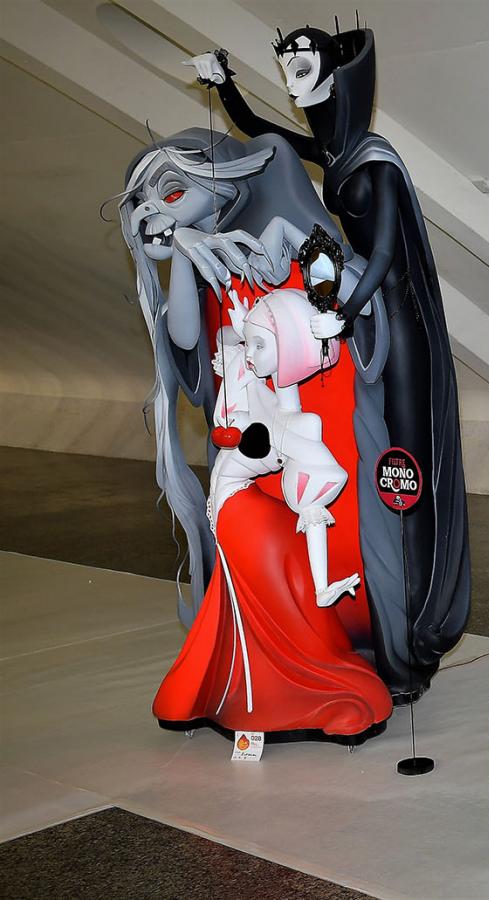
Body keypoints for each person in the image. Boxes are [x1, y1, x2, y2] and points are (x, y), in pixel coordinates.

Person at [188, 26, 471, 696]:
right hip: (363, 311)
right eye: (286, 64)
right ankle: (380, 610)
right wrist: (225, 84)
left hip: (396, 316)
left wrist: (347, 311)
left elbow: (384, 254)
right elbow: (264, 133)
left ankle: (411, 632)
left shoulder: (377, 161)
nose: (293, 75)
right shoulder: (337, 152)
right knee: (376, 460)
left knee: (403, 464)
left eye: (303, 62)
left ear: (335, 69)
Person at [153, 290, 391, 737]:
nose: (250, 351)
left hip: (244, 516)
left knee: (264, 605)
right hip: (236, 511)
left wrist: (322, 585)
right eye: (253, 343)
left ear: (291, 351)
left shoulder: (293, 420)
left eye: (262, 345)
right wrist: (246, 331)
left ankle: (274, 691)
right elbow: (226, 339)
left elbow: (318, 495)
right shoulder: (253, 385)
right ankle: (247, 688)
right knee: (250, 604)